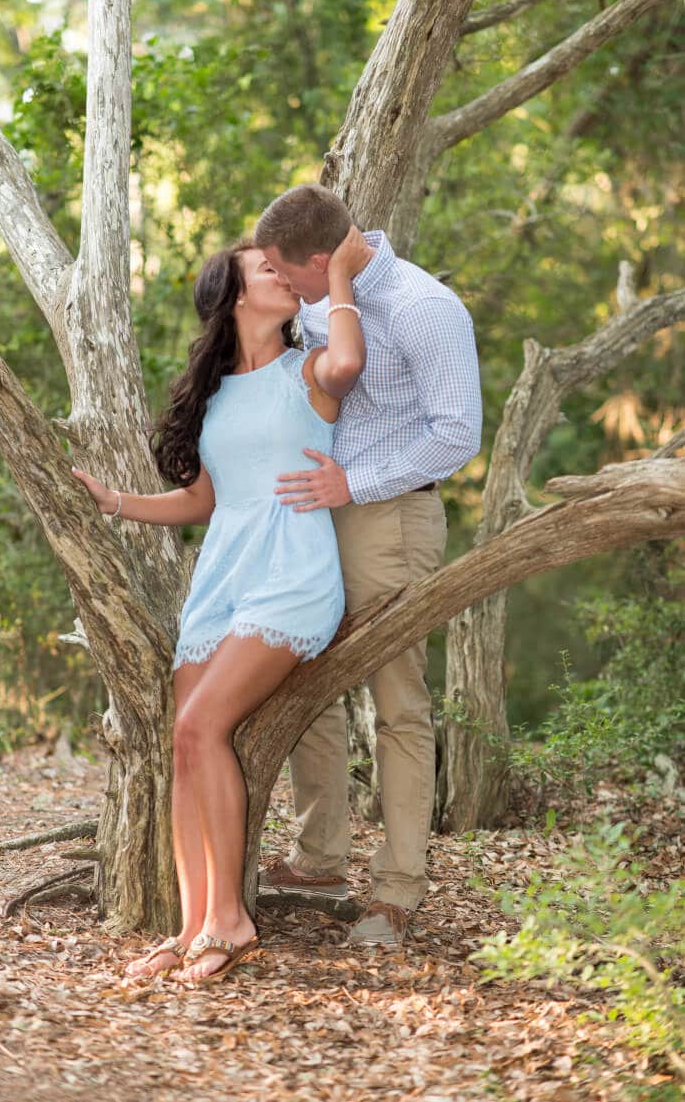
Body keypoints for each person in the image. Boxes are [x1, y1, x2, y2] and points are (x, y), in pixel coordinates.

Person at [72, 233, 368, 981]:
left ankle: (232, 921)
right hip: (222, 577)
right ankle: (192, 922)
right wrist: (117, 503)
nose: (281, 272)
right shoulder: (213, 395)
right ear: (237, 296)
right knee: (183, 742)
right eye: (267, 267)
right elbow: (203, 499)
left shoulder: (311, 369)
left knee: (202, 723)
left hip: (292, 571)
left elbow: (352, 360)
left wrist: (336, 275)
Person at [252, 183, 482, 946]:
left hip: (390, 515)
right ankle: (319, 859)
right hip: (317, 516)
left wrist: (356, 484)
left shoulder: (424, 308)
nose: (286, 288)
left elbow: (457, 433)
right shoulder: (320, 298)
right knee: (304, 679)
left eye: (292, 274)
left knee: (397, 702)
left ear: (323, 258)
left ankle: (396, 892)